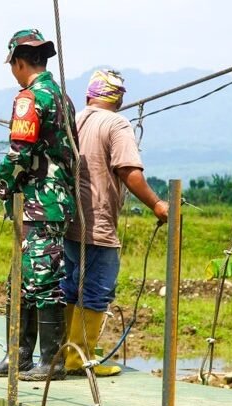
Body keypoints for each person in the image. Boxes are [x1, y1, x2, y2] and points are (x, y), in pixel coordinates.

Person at [0, 29, 78, 382]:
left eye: (13, 66)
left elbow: (19, 152)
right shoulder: (62, 97)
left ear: (20, 63)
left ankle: (51, 362)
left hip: (40, 204)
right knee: (23, 280)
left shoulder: (30, 98)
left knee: (42, 280)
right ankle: (19, 357)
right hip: (49, 203)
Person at [62, 69, 168, 377]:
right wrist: (157, 204)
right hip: (98, 223)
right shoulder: (117, 123)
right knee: (96, 290)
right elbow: (128, 171)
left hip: (70, 220)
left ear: (89, 96)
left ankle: (64, 353)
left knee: (71, 288)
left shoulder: (74, 120)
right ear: (119, 100)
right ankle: (78, 359)